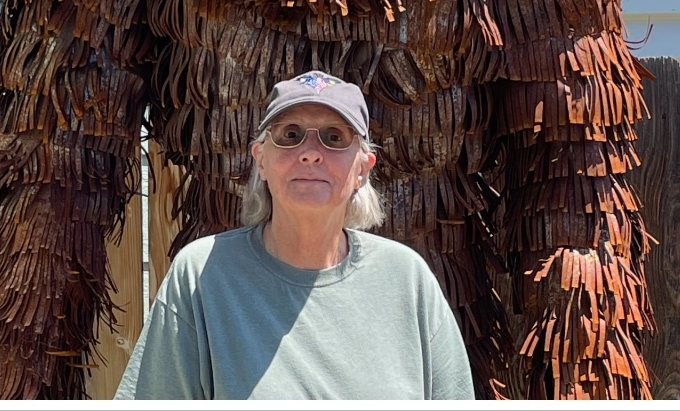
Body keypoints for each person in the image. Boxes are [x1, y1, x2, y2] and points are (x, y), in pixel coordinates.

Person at [115, 71, 475, 399]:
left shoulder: (407, 281)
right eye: (291, 135)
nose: (310, 154)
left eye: (334, 137)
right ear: (261, 160)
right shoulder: (200, 277)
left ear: (362, 169)